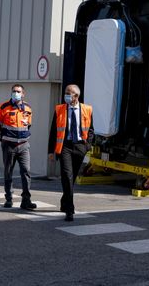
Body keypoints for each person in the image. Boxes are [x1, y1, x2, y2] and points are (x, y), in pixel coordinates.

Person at [48, 84, 93, 221]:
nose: (66, 95)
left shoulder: (87, 109)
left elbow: (91, 130)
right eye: (66, 92)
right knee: (67, 176)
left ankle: (64, 201)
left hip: (80, 146)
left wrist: (87, 146)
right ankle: (70, 209)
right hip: (65, 146)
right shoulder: (59, 109)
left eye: (69, 93)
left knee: (71, 178)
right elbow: (53, 131)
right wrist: (51, 151)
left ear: (76, 96)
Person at [0, 84, 36, 210]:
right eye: (14, 91)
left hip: (23, 145)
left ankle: (26, 200)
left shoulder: (28, 108)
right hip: (9, 146)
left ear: (23, 94)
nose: (16, 93)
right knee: (8, 172)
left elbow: (28, 125)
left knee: (26, 171)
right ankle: (9, 198)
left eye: (18, 91)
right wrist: (5, 140)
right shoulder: (3, 107)